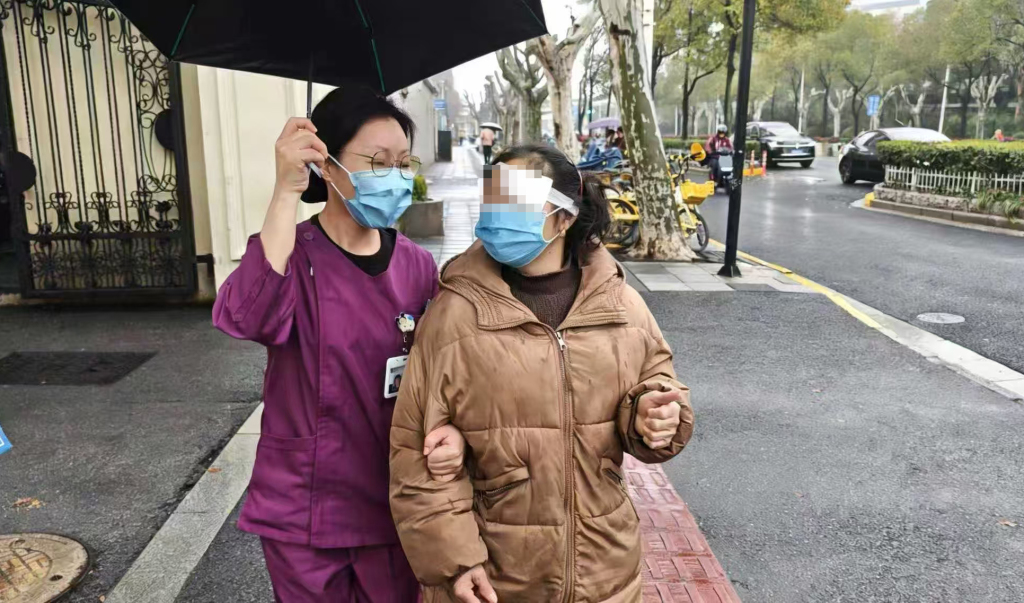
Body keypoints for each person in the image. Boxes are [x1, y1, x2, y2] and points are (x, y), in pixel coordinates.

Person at [390, 144, 695, 603]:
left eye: (516, 200)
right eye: (493, 199)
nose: (498, 214)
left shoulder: (622, 307)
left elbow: (660, 389)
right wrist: (454, 558)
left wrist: (656, 417)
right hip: (496, 581)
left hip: (607, 575)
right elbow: (413, 450)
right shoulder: (453, 315)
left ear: (564, 217)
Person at [213, 84, 466, 602]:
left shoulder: (418, 266)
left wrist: (452, 433)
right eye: (378, 161)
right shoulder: (292, 255)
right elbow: (245, 317)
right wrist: (285, 191)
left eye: (403, 162)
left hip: (394, 501)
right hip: (306, 509)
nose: (395, 175)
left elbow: (446, 375)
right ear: (326, 165)